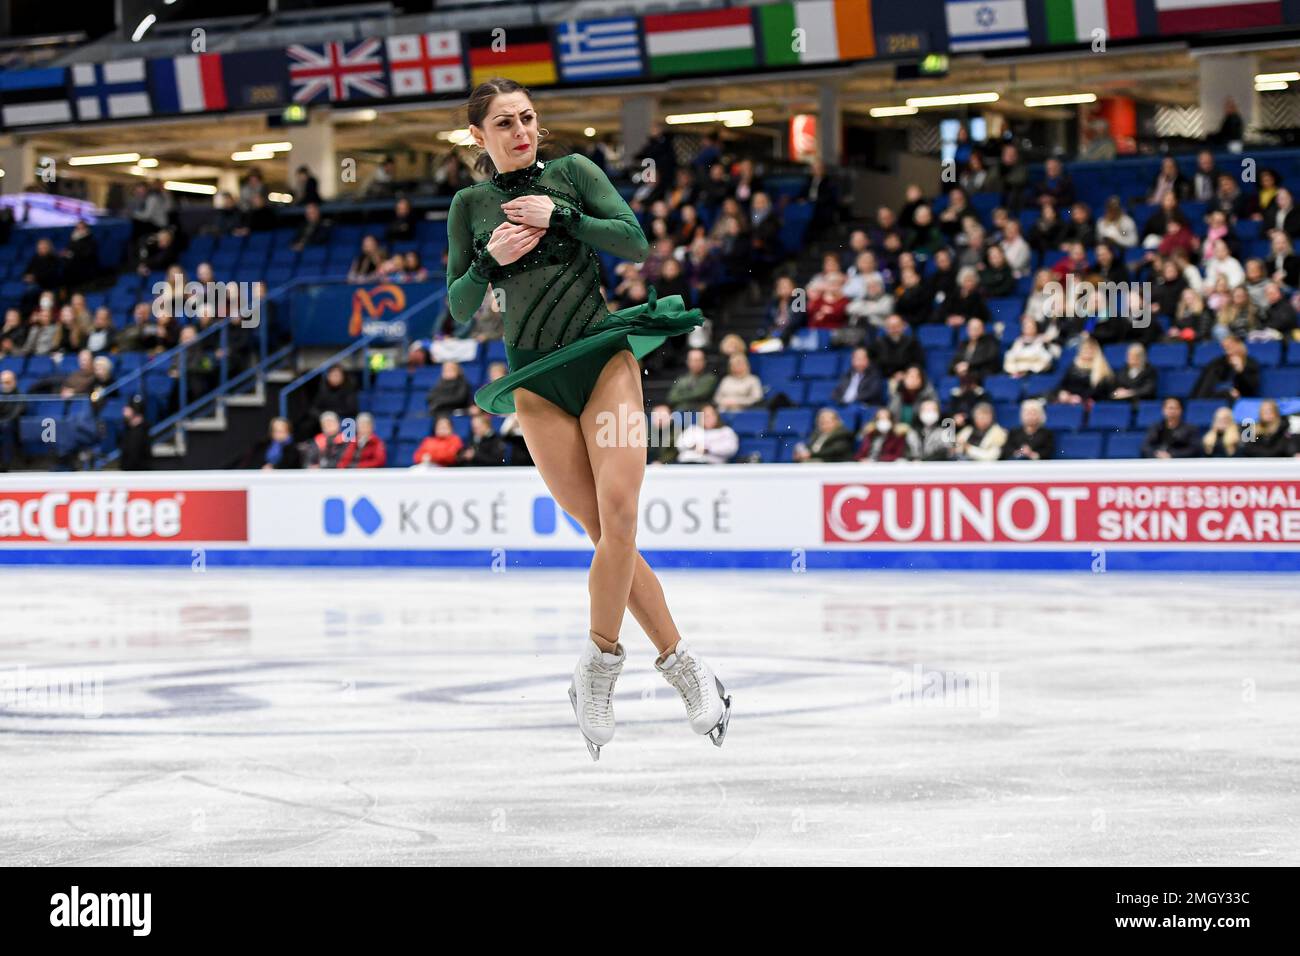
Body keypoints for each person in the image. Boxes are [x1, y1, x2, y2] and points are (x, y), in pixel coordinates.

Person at [446, 78, 730, 757]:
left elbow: (633, 243)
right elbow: (458, 305)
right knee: (605, 533)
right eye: (505, 123)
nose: (521, 130)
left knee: (622, 518)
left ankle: (600, 666)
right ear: (480, 137)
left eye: (528, 118)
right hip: (538, 384)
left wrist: (563, 219)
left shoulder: (573, 174)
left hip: (603, 360)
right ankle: (683, 662)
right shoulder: (470, 204)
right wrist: (488, 261)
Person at [673, 403, 738, 464]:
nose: (708, 419)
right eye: (705, 416)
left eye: (710, 415)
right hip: (686, 464)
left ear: (716, 416)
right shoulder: (693, 429)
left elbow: (730, 449)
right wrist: (692, 446)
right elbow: (679, 444)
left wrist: (708, 449)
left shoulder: (726, 431)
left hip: (711, 466)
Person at [119, 395, 152, 471]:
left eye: (128, 407)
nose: (124, 409)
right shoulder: (131, 430)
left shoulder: (139, 432)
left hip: (136, 477)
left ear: (135, 410)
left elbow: (135, 459)